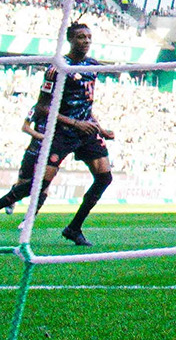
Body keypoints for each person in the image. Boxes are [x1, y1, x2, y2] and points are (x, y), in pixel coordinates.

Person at [0, 23, 111, 247]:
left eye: (89, 37)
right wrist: (75, 123)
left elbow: (85, 103)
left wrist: (99, 127)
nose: (87, 41)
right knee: (39, 184)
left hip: (86, 130)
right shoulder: (58, 67)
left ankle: (74, 228)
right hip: (63, 131)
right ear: (70, 40)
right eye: (81, 37)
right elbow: (42, 107)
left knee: (104, 177)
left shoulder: (93, 66)